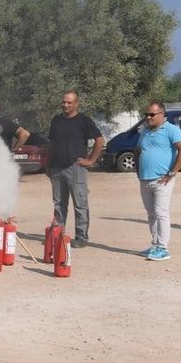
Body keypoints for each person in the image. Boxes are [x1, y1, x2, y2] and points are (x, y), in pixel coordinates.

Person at [47, 90, 105, 248]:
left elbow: (99, 140)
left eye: (69, 102)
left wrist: (91, 160)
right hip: (57, 168)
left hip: (76, 168)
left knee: (80, 204)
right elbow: (51, 143)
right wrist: (48, 165)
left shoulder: (83, 120)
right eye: (64, 102)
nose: (65, 105)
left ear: (76, 104)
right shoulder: (56, 120)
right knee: (59, 203)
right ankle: (58, 233)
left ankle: (81, 236)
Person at [133, 101, 181, 261]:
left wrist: (172, 172)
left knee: (161, 213)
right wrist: (138, 170)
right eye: (146, 114)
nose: (148, 117)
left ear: (162, 114)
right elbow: (138, 150)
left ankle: (163, 248)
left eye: (152, 114)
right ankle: (155, 244)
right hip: (145, 179)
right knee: (151, 214)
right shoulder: (145, 131)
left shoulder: (172, 130)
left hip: (163, 180)